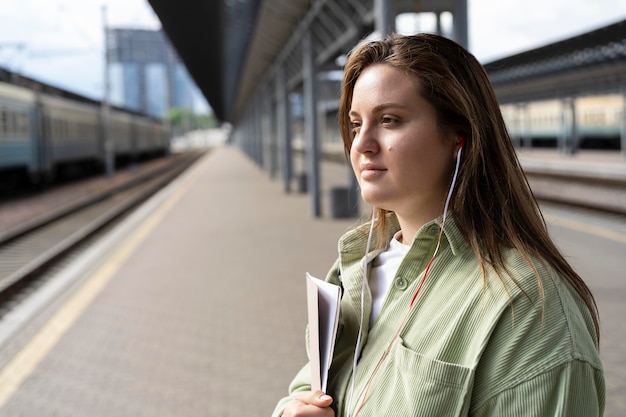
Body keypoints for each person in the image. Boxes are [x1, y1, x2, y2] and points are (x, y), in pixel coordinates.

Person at [273, 33, 604, 417]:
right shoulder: (355, 272)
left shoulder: (529, 308)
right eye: (356, 123)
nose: (361, 143)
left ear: (459, 137)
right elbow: (309, 386)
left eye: (389, 120)